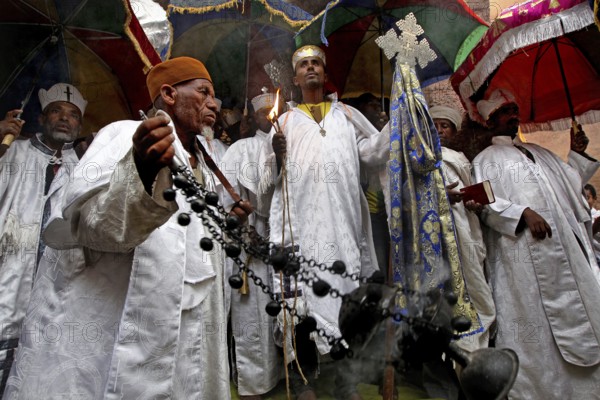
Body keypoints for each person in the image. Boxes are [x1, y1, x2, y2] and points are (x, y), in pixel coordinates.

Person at [3, 57, 237, 399]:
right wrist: (139, 171)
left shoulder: (201, 164)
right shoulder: (124, 134)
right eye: (204, 92)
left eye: (214, 96)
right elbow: (94, 226)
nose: (214, 103)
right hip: (114, 334)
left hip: (187, 337)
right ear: (169, 94)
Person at [258, 45, 389, 400]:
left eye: (316, 62)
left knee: (346, 300)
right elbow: (265, 179)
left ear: (324, 71)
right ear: (296, 77)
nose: (311, 68)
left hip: (343, 227)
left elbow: (375, 152)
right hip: (300, 227)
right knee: (300, 302)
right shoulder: (282, 121)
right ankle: (303, 379)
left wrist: (402, 116)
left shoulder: (345, 114)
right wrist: (277, 155)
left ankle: (347, 380)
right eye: (304, 65)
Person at [471, 88, 600, 399]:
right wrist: (522, 213)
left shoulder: (540, 153)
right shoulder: (483, 160)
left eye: (515, 110)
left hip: (566, 252)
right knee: (534, 328)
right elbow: (482, 203)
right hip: (522, 259)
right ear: (490, 120)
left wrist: (577, 152)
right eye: (505, 112)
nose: (513, 116)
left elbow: (571, 185)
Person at [0, 83, 86, 395]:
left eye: (73, 115)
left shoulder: (85, 169)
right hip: (8, 281)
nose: (65, 118)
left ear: (80, 125)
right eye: (56, 111)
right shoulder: (14, 152)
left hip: (55, 288)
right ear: (41, 118)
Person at [220, 90, 282, 400]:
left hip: (283, 238)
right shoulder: (241, 148)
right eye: (263, 111)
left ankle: (287, 376)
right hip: (251, 237)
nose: (269, 115)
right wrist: (246, 232)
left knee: (282, 310)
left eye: (274, 109)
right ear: (254, 115)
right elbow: (226, 196)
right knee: (252, 314)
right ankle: (253, 384)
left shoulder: (290, 142)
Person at [430, 105, 496, 353]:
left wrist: (473, 202)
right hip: (435, 237)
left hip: (465, 232)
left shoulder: (459, 159)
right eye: (434, 125)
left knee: (474, 288)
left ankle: (476, 347)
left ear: (454, 131)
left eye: (444, 126)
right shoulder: (420, 159)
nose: (438, 130)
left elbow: (477, 195)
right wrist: (439, 197)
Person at [355, 93, 390, 279]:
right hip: (369, 214)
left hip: (389, 213)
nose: (377, 108)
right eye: (371, 104)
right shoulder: (354, 133)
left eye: (378, 104)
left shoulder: (385, 129)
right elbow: (370, 154)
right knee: (377, 270)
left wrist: (385, 131)